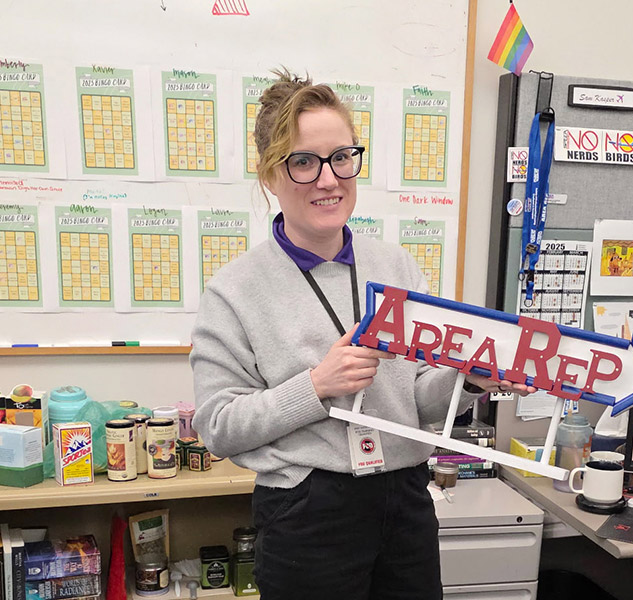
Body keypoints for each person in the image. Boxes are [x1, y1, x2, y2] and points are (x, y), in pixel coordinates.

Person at [190, 69, 537, 600]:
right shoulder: (234, 291)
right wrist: (315, 386)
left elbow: (416, 400)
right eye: (303, 162)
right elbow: (217, 426)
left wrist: (467, 380)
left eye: (341, 157)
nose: (328, 179)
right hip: (306, 511)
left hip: (404, 500)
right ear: (269, 175)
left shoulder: (396, 267)